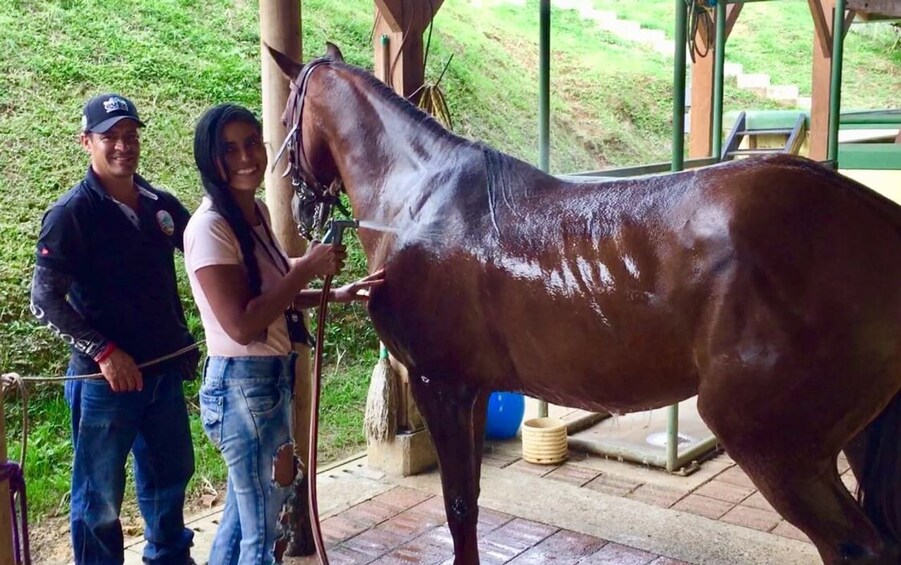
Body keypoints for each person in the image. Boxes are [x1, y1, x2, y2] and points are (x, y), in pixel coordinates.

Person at [185, 103, 383, 564]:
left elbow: (276, 286)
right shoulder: (210, 227)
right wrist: (308, 268)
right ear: (208, 158)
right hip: (242, 388)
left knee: (240, 522)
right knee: (265, 532)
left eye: (252, 143)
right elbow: (244, 322)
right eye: (229, 149)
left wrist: (336, 292)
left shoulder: (253, 212)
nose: (245, 157)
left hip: (266, 383)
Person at [30, 93, 198, 564]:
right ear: (87, 142)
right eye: (110, 137)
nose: (123, 146)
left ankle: (169, 558)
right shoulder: (70, 216)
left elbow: (208, 252)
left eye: (130, 135)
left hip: (162, 373)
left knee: (170, 476)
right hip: (105, 380)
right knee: (99, 496)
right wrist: (103, 351)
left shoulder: (159, 204)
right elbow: (43, 300)